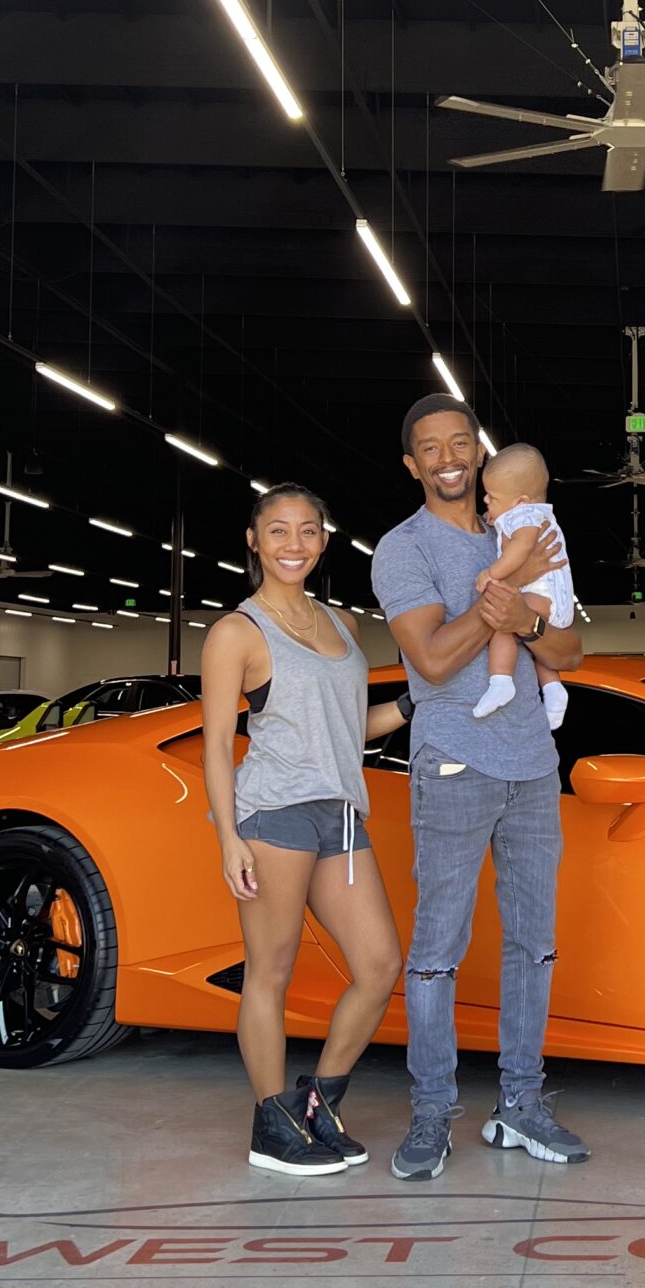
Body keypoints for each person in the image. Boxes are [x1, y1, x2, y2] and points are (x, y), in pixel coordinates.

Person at [370, 393, 588, 1180]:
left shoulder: (524, 526)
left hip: (533, 769)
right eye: (431, 447)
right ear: (413, 463)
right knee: (437, 952)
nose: (449, 457)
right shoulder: (404, 549)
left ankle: (521, 1106)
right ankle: (432, 1115)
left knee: (535, 946)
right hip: (454, 765)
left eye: (461, 442)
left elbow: (570, 650)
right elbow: (429, 662)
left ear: (479, 450)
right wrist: (503, 591)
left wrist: (524, 616)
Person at [201, 481, 409, 1178]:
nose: (295, 544)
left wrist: (414, 703)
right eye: (280, 531)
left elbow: (352, 734)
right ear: (254, 542)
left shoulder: (343, 626)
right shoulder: (238, 630)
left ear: (325, 540)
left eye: (309, 531)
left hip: (340, 813)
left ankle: (316, 1106)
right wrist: (229, 836)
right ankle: (271, 1124)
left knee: (380, 965)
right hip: (274, 814)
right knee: (273, 971)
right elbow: (214, 743)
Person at [472, 441, 576, 731]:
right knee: (536, 647)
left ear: (520, 501)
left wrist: (493, 572)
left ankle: (501, 681)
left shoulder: (526, 517)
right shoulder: (532, 514)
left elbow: (521, 547)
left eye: (492, 496)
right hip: (553, 603)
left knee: (503, 623)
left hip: (540, 595)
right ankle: (554, 689)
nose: (486, 500)